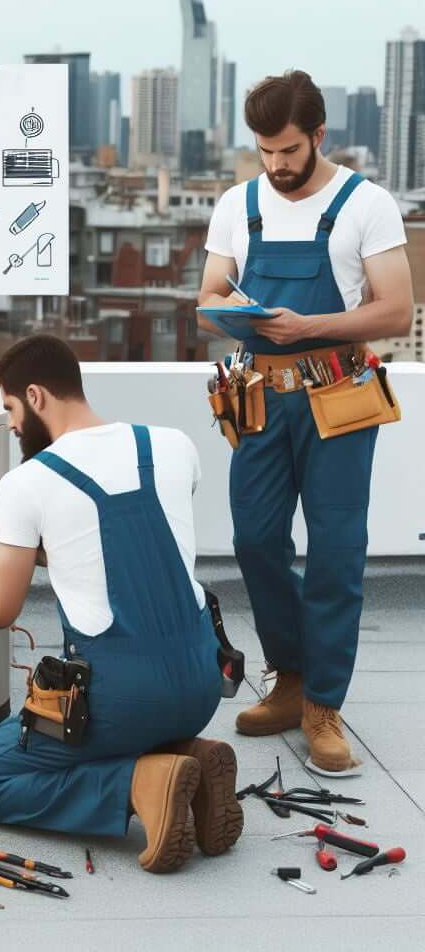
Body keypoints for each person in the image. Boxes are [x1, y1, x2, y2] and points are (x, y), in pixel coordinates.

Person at [0, 335, 243, 874]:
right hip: (200, 684)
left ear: (35, 397)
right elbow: (118, 549)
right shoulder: (173, 446)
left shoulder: (26, 483)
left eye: (10, 409)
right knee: (149, 703)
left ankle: (141, 783)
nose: (10, 426)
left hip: (119, 702)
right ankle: (188, 757)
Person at [198, 71, 412, 774]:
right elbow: (208, 295)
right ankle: (288, 679)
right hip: (259, 393)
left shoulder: (366, 204)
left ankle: (323, 703)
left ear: (318, 135)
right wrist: (237, 313)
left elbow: (394, 312)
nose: (277, 165)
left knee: (335, 554)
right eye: (265, 151)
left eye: (288, 150)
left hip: (340, 394)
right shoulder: (239, 203)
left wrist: (308, 325)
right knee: (254, 540)